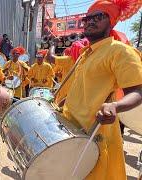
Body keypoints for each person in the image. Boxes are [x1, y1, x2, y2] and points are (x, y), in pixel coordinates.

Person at [55, 1, 142, 179]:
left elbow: (138, 90)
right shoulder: (86, 54)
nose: (90, 21)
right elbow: (86, 88)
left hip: (95, 136)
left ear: (111, 22)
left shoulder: (120, 51)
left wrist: (115, 107)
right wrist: (66, 102)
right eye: (87, 18)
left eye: (99, 16)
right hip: (72, 131)